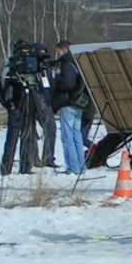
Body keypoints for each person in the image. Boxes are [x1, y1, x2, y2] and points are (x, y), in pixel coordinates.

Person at [0, 40, 41, 175]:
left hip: (27, 107)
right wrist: (9, 104)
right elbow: (0, 88)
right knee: (13, 138)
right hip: (15, 107)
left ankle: (25, 167)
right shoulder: (10, 67)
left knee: (26, 138)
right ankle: (7, 167)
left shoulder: (32, 68)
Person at [52, 41, 92, 175]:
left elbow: (68, 83)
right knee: (76, 135)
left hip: (68, 103)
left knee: (67, 136)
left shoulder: (66, 64)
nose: (57, 54)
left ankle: (72, 167)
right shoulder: (78, 63)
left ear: (63, 49)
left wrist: (56, 81)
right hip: (78, 104)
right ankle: (80, 165)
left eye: (58, 51)